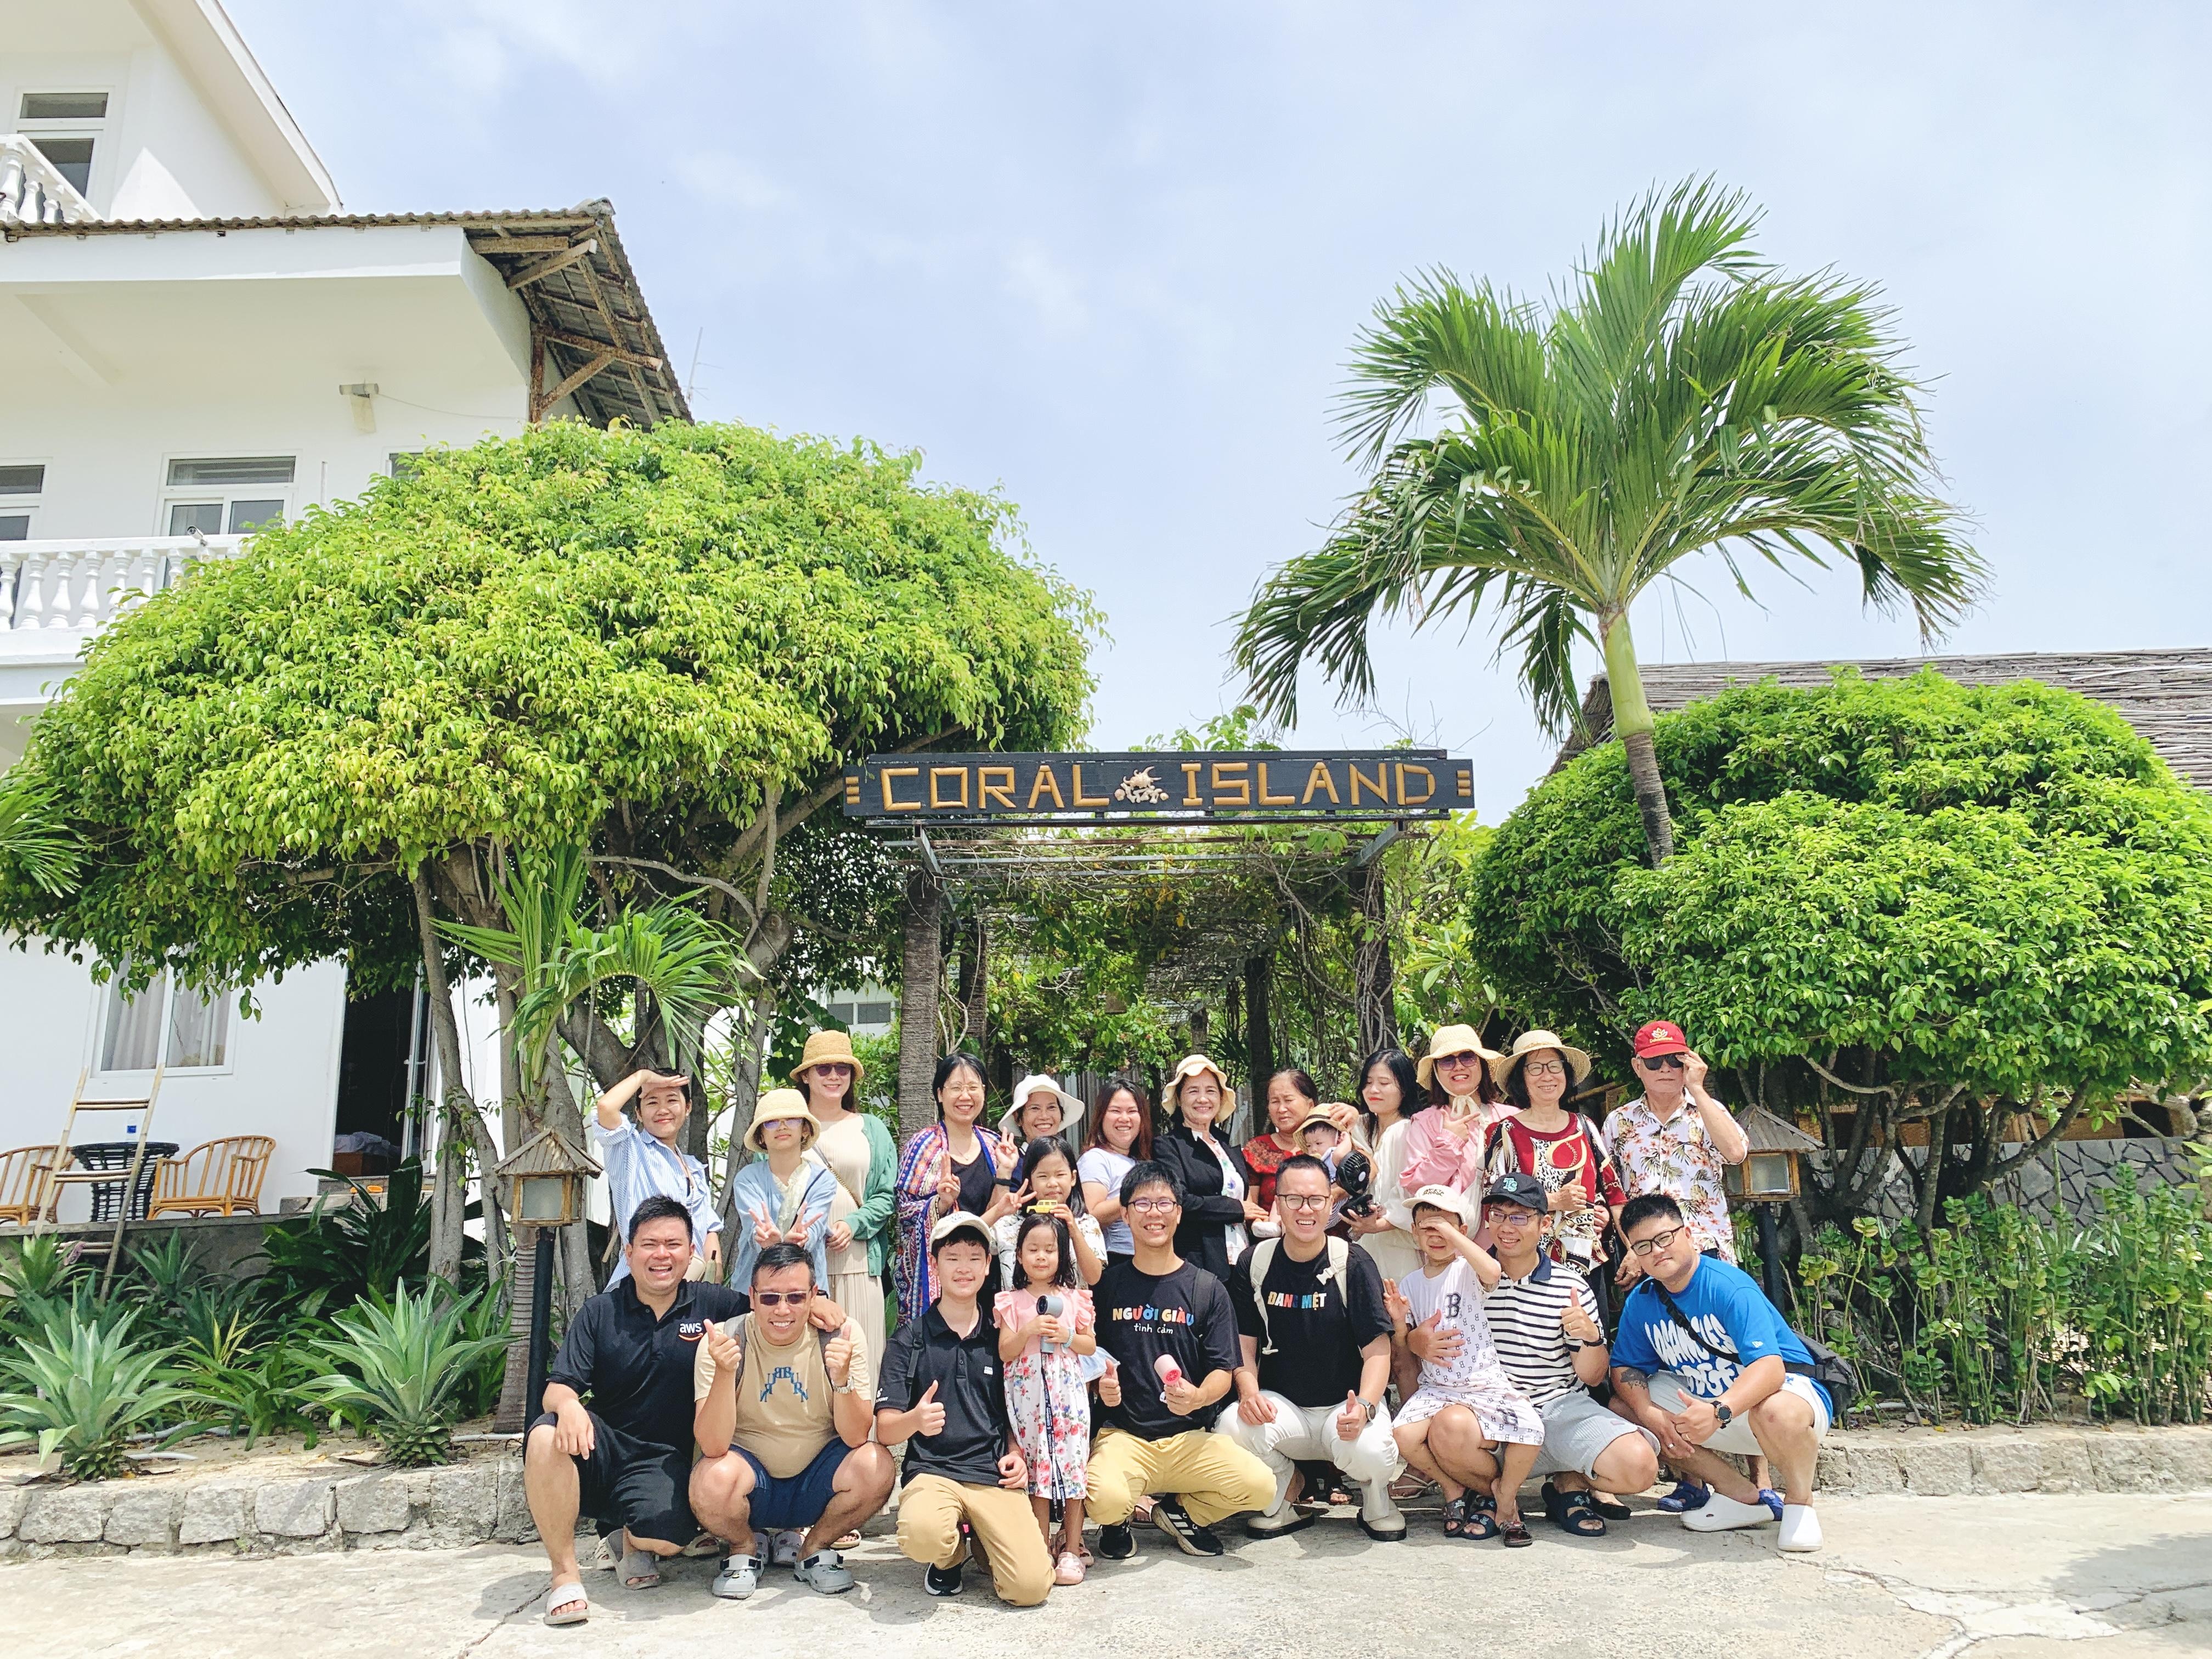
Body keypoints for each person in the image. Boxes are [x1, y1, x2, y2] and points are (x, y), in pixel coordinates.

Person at [524, 1196, 751, 1626]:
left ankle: (626, 1535)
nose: (661, 1255)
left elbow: (777, 1310)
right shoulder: (600, 1312)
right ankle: (565, 1577)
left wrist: (819, 1305)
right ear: (629, 1253)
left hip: (662, 1462)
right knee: (544, 1435)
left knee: (669, 1539)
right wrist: (569, 1405)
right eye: (649, 1244)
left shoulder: (713, 1306)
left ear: (690, 1252)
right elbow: (556, 1389)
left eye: (673, 1244)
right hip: (601, 1448)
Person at [1609, 1193, 1833, 1552]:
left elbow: (1770, 1369)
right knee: (1624, 1408)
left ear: (1687, 1235)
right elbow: (1625, 1367)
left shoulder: (1729, 1286)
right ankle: (1738, 1495)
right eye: (1644, 1246)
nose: (1657, 1251)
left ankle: (1799, 1503)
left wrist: (1719, 1411)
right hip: (1714, 1404)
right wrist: (1650, 1414)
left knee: (1775, 1411)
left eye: (1664, 1238)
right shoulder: (1643, 1300)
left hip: (1781, 1400)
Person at [1086, 1161, 1275, 1560]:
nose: (1153, 1213)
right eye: (1142, 1204)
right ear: (1125, 1214)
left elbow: (1224, 1370)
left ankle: (1180, 1513)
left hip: (1188, 1438)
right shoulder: (1107, 1286)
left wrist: (1198, 1397)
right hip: (1124, 1436)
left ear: (1179, 1212)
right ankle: (1117, 1519)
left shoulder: (1207, 1288)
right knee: (1103, 1499)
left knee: (1261, 1487)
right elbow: (1086, 1357)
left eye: (1164, 1203)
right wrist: (1099, 1384)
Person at [1216, 1155, 1405, 1541]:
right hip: (1285, 1409)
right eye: (1294, 1199)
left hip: (1345, 1407)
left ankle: (1377, 1501)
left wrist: (1365, 1406)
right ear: (1278, 1204)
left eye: (1316, 1200)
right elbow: (1244, 1345)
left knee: (1371, 1450)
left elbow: (1377, 1351)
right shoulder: (1256, 1262)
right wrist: (1248, 1392)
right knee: (1231, 1426)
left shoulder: (1352, 1262)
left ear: (1329, 1203)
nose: (1306, 1210)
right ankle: (1286, 1490)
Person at [690, 1242, 895, 1598]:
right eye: (770, 1298)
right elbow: (712, 1445)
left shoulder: (842, 1336)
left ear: (814, 1296)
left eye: (796, 1297)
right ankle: (744, 1547)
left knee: (876, 1465)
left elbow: (856, 1437)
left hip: (818, 1477)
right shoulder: (724, 1340)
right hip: (752, 1481)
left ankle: (814, 1548)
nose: (782, 1310)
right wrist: (724, 1373)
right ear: (752, 1297)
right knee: (709, 1481)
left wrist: (842, 1379)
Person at [1605, 1018, 1751, 1513]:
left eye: (1675, 1060)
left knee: (1734, 1362)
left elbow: (1736, 1152)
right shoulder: (1619, 1122)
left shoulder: (1707, 1110)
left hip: (1709, 1257)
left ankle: (1760, 1477)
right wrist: (1631, 1247)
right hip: (1650, 1259)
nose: (1666, 1069)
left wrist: (1700, 1091)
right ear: (1637, 1067)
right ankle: (1693, 1479)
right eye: (1655, 1062)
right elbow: (1616, 1195)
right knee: (1670, 1364)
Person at [878, 1211, 1054, 1606]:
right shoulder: (909, 1340)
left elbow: (1010, 1414)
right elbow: (886, 1430)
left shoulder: (1001, 1338)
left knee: (1030, 1588)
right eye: (953, 1257)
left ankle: (982, 1542)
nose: (964, 1268)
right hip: (934, 1473)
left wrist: (1015, 1453)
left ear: (988, 1265)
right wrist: (915, 1420)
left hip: (992, 1476)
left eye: (975, 1257)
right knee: (923, 1534)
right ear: (935, 1265)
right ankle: (950, 1554)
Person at [1475, 1173, 1660, 1539]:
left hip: (1557, 1409)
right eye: (1498, 1215)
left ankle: (1566, 1481)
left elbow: (1592, 1377)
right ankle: (1493, 1492)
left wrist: (1590, 1339)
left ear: (1545, 1224)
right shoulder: (1467, 1279)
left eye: (1520, 1217)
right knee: (1445, 1433)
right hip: (1492, 1415)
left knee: (1638, 1466)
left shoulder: (1570, 1285)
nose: (1507, 1227)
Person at [1385, 1185, 1545, 1545]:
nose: (1436, 1235)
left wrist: (1455, 1236)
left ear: (1462, 1231)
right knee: (1403, 1436)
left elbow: (1492, 1270)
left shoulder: (1467, 1269)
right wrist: (1398, 1321)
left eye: (1444, 1226)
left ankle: (1505, 1499)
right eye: (1427, 1227)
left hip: (1482, 1382)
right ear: (1414, 1232)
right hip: (1437, 1387)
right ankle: (1452, 1487)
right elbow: (1405, 1346)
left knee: (1531, 1429)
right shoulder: (1411, 1282)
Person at [1486, 1030, 1628, 1321]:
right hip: (1527, 1265)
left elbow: (1614, 1193)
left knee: (1590, 1341)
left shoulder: (1585, 1126)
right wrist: (1552, 1201)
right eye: (1535, 1068)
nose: (1547, 1076)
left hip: (1587, 1262)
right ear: (1521, 1079)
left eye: (1555, 1066)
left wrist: (1631, 1246)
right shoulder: (1506, 1132)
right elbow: (1492, 1200)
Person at [995, 1211, 1098, 1583]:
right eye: (1033, 1249)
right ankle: (1040, 1548)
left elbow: (1090, 1346)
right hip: (1030, 1400)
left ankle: (1071, 1548)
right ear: (1019, 1256)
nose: (1041, 1257)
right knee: (1037, 1470)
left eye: (1050, 1250)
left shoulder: (1075, 1299)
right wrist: (1028, 1331)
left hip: (1068, 1396)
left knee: (1073, 1470)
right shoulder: (1011, 1301)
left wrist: (1066, 1336)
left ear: (1062, 1254)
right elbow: (1005, 1351)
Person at [792, 1029, 899, 1374]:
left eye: (843, 1068)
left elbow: (886, 1196)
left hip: (859, 1264)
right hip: (801, 1270)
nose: (834, 1076)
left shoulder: (872, 1129)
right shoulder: (787, 1126)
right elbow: (770, 1190)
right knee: (807, 1370)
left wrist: (853, 1225)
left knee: (862, 1366)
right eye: (823, 1068)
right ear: (806, 1076)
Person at [894, 1053, 1018, 1322]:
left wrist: (1005, 1172)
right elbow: (905, 1215)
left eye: (973, 1087)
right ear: (940, 1094)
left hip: (988, 1275)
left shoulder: (994, 1145)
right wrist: (940, 1204)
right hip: (941, 1279)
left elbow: (999, 1217)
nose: (966, 1096)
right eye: (956, 1088)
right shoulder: (923, 1146)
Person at [591, 1069, 721, 1284]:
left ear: (688, 1107)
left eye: (672, 1100)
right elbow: (606, 1107)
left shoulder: (694, 1167)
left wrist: (714, 1274)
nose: (663, 1110)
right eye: (652, 1102)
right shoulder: (630, 1149)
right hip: (638, 1285)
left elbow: (708, 1228)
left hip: (688, 1287)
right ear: (639, 1113)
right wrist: (643, 1076)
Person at [1154, 1053, 1266, 1279]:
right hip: (1199, 1264)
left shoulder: (1226, 1146)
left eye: (1211, 1091)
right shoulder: (1168, 1147)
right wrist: (1237, 1209)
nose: (1203, 1099)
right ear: (1179, 1099)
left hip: (1241, 1260)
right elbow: (1180, 1201)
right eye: (1193, 1091)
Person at [725, 1088, 838, 1291]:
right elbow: (754, 1227)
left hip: (806, 1291)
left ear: (805, 1129)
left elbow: (815, 1226)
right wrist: (763, 1238)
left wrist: (804, 1238)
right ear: (761, 1136)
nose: (782, 1127)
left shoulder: (823, 1180)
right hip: (753, 1290)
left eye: (792, 1120)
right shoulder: (747, 1179)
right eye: (771, 1122)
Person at [1399, 1025, 1508, 1199]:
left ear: (1482, 1064)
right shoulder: (1424, 1123)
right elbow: (1415, 1187)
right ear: (1436, 1072)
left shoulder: (1511, 1117)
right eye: (1447, 1061)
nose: (1458, 1067)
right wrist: (1449, 1145)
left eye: (1468, 1057)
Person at [1345, 1048, 1424, 1286]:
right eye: (1368, 1083)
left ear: (1404, 1088)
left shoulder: (1410, 1130)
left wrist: (1380, 1224)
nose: (1373, 1090)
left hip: (1400, 1246)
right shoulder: (1359, 1127)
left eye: (1384, 1083)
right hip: (1365, 1243)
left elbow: (1411, 1192)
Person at [995, 1134, 1105, 1287]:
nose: (1052, 1183)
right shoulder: (1010, 1223)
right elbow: (968, 1237)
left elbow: (1094, 1277)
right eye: (1043, 1176)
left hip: (1069, 1303)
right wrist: (998, 1211)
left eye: (1060, 1175)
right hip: (1018, 1303)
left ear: (1073, 1178)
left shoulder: (1086, 1223)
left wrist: (1074, 1231)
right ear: (1030, 1182)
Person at [1079, 1076, 1153, 1269]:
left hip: (1145, 1258)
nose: (1124, 1119)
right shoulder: (1096, 1158)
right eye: (1115, 1111)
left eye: (1132, 1111)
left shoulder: (1139, 1161)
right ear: (1101, 1116)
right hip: (1116, 1260)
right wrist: (1137, 1193)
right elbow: (1090, 1216)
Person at [1241, 1067, 1321, 1223]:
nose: (1282, 1109)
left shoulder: (1331, 1142)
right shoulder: (1257, 1149)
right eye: (1275, 1102)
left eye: (1288, 1100)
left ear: (1310, 1105)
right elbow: (1252, 1209)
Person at [1003, 1071, 1082, 1147]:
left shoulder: (1067, 1156)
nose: (1044, 1116)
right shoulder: (1014, 1157)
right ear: (1017, 1117)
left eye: (1051, 1107)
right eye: (1035, 1108)